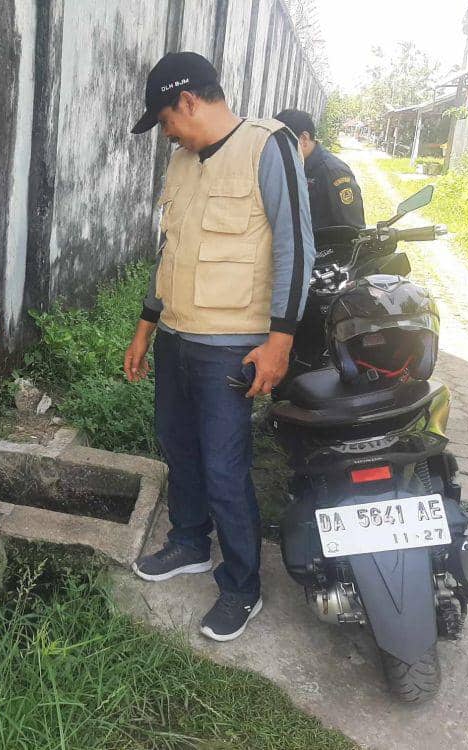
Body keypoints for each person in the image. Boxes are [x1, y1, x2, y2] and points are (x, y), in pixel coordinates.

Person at [124, 53, 314, 641]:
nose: (166, 133)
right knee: (177, 445)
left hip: (230, 346)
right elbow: (170, 252)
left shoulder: (268, 146)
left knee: (224, 465)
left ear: (187, 102)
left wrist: (280, 342)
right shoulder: (182, 165)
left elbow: (295, 249)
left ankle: (241, 585)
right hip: (178, 337)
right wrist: (145, 327)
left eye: (165, 119)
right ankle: (188, 542)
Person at [274, 109, 365, 229]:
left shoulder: (334, 173)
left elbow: (352, 230)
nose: (276, 149)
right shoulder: (292, 165)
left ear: (303, 139)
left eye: (281, 143)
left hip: (322, 245)